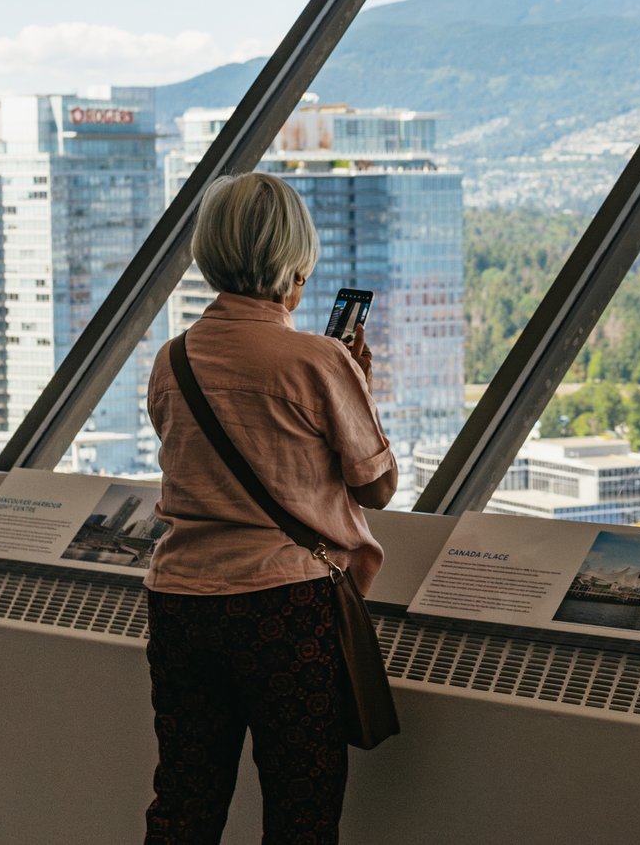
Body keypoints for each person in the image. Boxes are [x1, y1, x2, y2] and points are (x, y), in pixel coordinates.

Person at [142, 171, 397, 844]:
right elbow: (377, 487)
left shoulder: (172, 360)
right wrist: (359, 388)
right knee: (301, 807)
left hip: (180, 600)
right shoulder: (317, 360)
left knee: (185, 800)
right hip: (283, 605)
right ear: (296, 261)